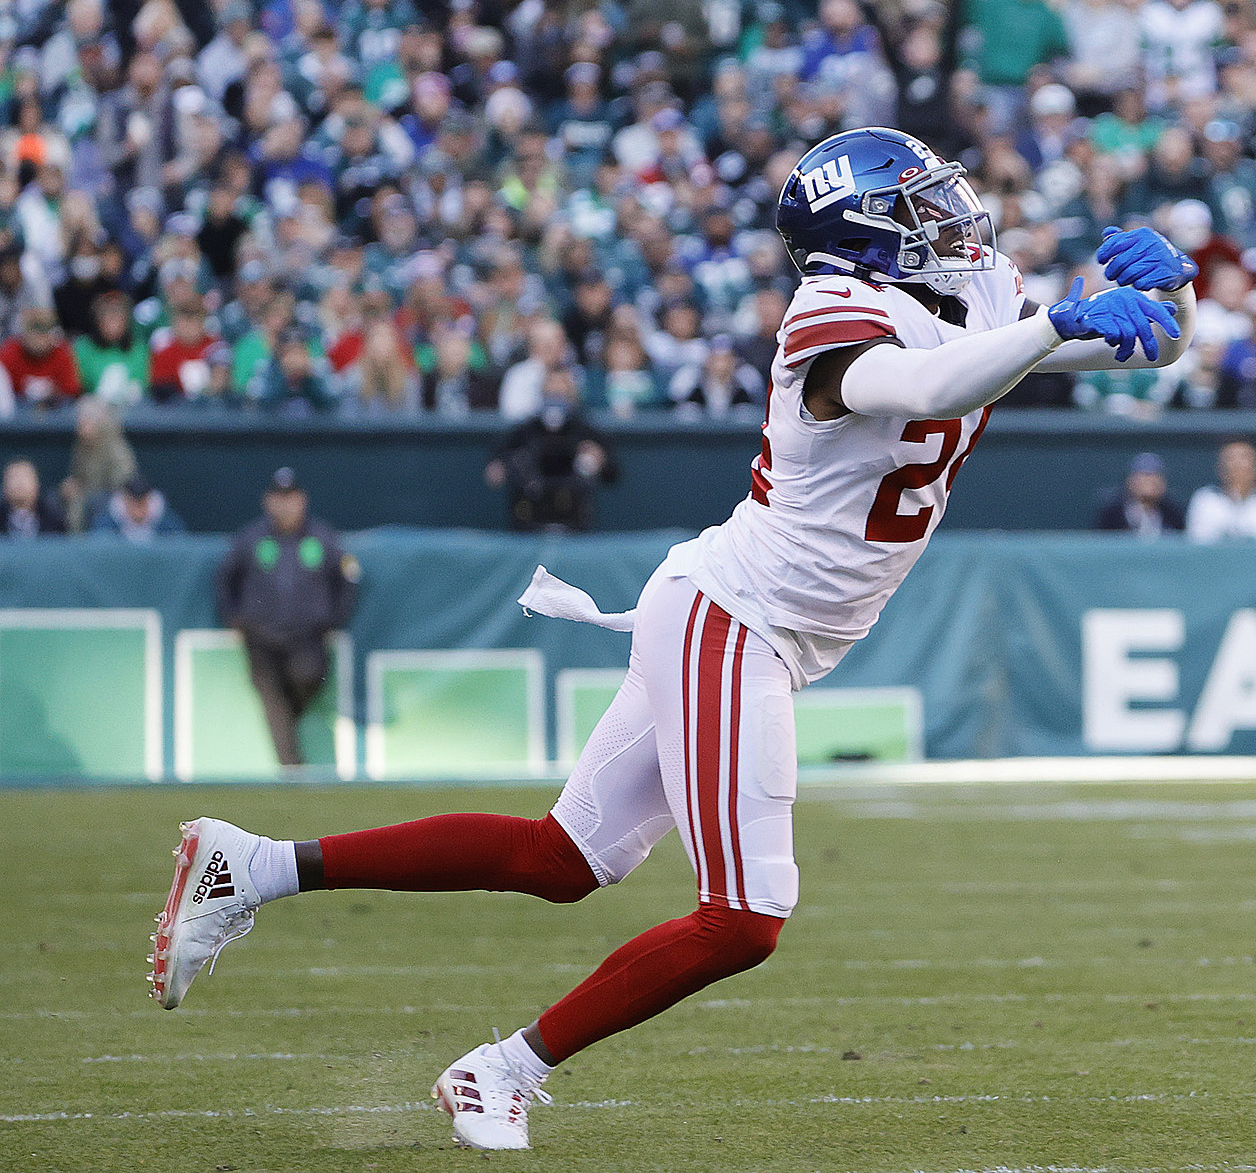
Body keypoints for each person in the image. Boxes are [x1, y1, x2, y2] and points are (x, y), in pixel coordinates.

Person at [152, 128, 1198, 1150]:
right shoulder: (831, 310)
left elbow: (1143, 357)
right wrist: (1059, 318)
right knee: (746, 916)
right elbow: (926, 386)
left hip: (753, 622)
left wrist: (1174, 298)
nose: (957, 217)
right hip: (733, 618)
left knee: (560, 858)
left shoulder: (977, 291)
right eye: (922, 206)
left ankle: (252, 867)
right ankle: (502, 1069)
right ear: (869, 235)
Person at [212, 470, 360, 770]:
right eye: (279, 499)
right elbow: (224, 577)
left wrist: (335, 619)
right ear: (267, 502)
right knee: (271, 698)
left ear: (302, 501)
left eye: (291, 499)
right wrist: (234, 617)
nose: (285, 506)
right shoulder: (251, 537)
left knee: (306, 677)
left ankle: (291, 752)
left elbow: (349, 577)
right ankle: (291, 767)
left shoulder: (322, 536)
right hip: (261, 638)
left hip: (308, 638)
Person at [484, 370, 618, 531]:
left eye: (561, 390)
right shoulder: (525, 431)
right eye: (551, 390)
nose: (555, 395)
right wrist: (501, 466)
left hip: (575, 519)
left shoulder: (586, 431)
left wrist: (599, 459)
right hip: (530, 516)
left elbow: (613, 474)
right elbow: (495, 464)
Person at [1185, 439, 1256, 543]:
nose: (1237, 465)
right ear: (1219, 468)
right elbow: (1198, 542)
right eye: (1230, 459)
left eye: (1244, 458)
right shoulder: (1204, 499)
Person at [1094, 452, 1186, 535]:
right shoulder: (1112, 513)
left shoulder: (1173, 512)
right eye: (1144, 476)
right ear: (1130, 481)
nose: (1149, 482)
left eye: (1155, 477)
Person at [4, 458, 66, 536]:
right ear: (4, 486)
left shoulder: (54, 519)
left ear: (37, 484)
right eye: (13, 477)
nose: (20, 483)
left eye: (25, 477)